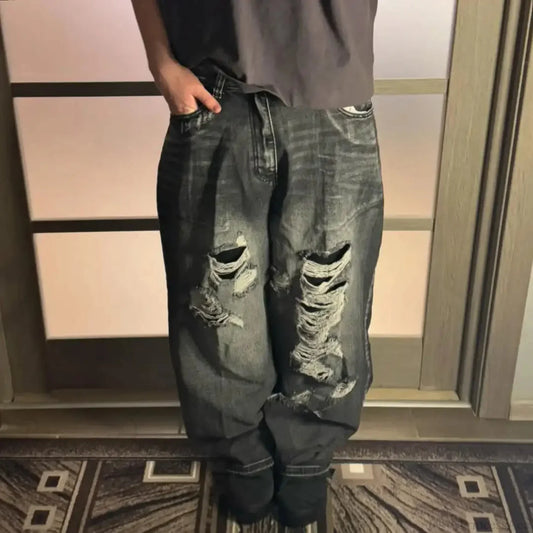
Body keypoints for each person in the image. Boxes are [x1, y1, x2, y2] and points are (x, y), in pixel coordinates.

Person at [132, 0, 383, 527]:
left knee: (325, 306)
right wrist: (161, 62)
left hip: (332, 96)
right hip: (212, 95)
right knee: (219, 310)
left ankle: (307, 458)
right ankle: (240, 458)